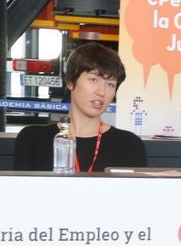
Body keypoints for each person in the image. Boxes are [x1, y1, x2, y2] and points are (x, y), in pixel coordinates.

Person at [14, 43, 146, 171]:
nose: (102, 92)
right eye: (93, 80)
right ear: (71, 82)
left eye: (110, 84)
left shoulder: (129, 145)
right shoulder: (33, 140)